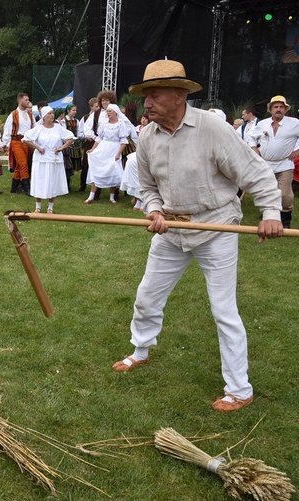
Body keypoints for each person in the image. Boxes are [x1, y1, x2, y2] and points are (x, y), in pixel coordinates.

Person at [113, 59, 283, 413]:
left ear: (179, 95)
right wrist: (155, 211)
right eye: (146, 96)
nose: (147, 104)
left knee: (224, 310)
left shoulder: (213, 129)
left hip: (216, 228)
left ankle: (239, 388)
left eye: (154, 96)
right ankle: (140, 350)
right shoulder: (147, 136)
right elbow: (146, 186)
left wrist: (270, 213)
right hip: (171, 231)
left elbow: (257, 174)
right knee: (147, 296)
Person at [246, 96, 299, 229]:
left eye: (281, 107)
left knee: (285, 194)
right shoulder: (262, 124)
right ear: (270, 110)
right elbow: (250, 136)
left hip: (285, 164)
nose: (279, 109)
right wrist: (254, 149)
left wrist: (298, 149)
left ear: (285, 109)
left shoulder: (294, 123)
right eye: (276, 107)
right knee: (266, 191)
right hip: (266, 165)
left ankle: (285, 220)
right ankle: (268, 215)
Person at [21, 107, 75, 213]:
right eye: (49, 113)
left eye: (52, 113)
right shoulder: (39, 128)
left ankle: (50, 207)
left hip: (54, 159)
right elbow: (25, 139)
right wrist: (38, 148)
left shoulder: (58, 128)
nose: (52, 115)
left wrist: (61, 148)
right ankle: (38, 206)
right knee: (40, 181)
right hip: (41, 159)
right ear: (44, 116)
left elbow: (71, 137)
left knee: (52, 182)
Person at [84, 103, 128, 204]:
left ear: (115, 113)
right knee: (98, 170)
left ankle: (112, 197)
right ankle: (91, 196)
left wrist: (118, 153)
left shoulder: (121, 124)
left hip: (114, 149)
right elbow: (99, 137)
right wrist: (93, 149)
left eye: (110, 111)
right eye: (107, 111)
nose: (107, 113)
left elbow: (123, 141)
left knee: (113, 170)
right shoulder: (104, 123)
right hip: (103, 148)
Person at [1, 92, 34, 195]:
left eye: (28, 100)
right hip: (16, 141)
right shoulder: (13, 114)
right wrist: (5, 143)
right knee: (23, 164)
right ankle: (26, 187)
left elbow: (35, 127)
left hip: (27, 142)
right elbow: (7, 129)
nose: (28, 101)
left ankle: (14, 187)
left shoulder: (29, 114)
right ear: (20, 101)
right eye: (26, 100)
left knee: (20, 165)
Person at [61, 104, 83, 189]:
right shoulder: (64, 120)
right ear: (68, 111)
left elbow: (78, 131)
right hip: (67, 143)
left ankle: (69, 181)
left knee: (74, 164)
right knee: (67, 164)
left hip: (75, 143)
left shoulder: (76, 121)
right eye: (73, 110)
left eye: (75, 110)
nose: (75, 112)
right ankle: (66, 183)